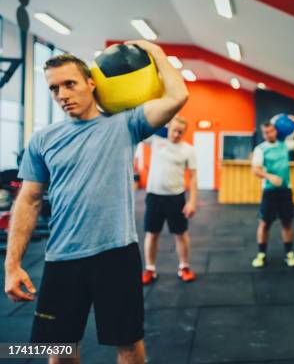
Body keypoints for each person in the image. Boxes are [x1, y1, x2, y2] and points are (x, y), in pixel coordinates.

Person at [3, 40, 188, 364]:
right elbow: (29, 200)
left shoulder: (125, 124)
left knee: (129, 347)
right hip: (62, 256)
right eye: (54, 88)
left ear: (91, 83)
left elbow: (177, 97)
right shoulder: (43, 140)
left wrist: (155, 53)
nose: (62, 95)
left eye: (70, 84)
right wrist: (12, 265)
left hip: (116, 254)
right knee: (58, 352)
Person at [141, 116, 198, 285]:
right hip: (154, 197)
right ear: (169, 128)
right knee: (152, 234)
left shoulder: (188, 150)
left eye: (180, 132)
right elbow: (141, 126)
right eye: (174, 130)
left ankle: (184, 267)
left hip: (176, 198)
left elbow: (194, 178)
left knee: (181, 234)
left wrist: (192, 201)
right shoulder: (156, 141)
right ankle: (150, 269)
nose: (177, 134)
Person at [251, 121, 294, 268]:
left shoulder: (285, 145)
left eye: (271, 131)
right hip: (269, 191)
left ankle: (289, 253)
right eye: (266, 132)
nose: (269, 134)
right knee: (264, 224)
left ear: (275, 131)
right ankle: (261, 254)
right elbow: (256, 170)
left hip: (285, 191)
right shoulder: (260, 149)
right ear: (263, 133)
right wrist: (270, 177)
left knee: (287, 223)